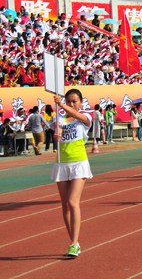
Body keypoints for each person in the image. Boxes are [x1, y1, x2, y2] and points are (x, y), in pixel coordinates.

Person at [51, 90, 93, 258]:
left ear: (81, 102)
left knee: (72, 201)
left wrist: (60, 104)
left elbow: (77, 116)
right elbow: (58, 129)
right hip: (62, 163)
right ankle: (74, 241)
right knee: (65, 205)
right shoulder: (59, 118)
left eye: (74, 101)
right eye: (68, 101)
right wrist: (57, 135)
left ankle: (74, 244)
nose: (71, 104)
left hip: (79, 163)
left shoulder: (85, 118)